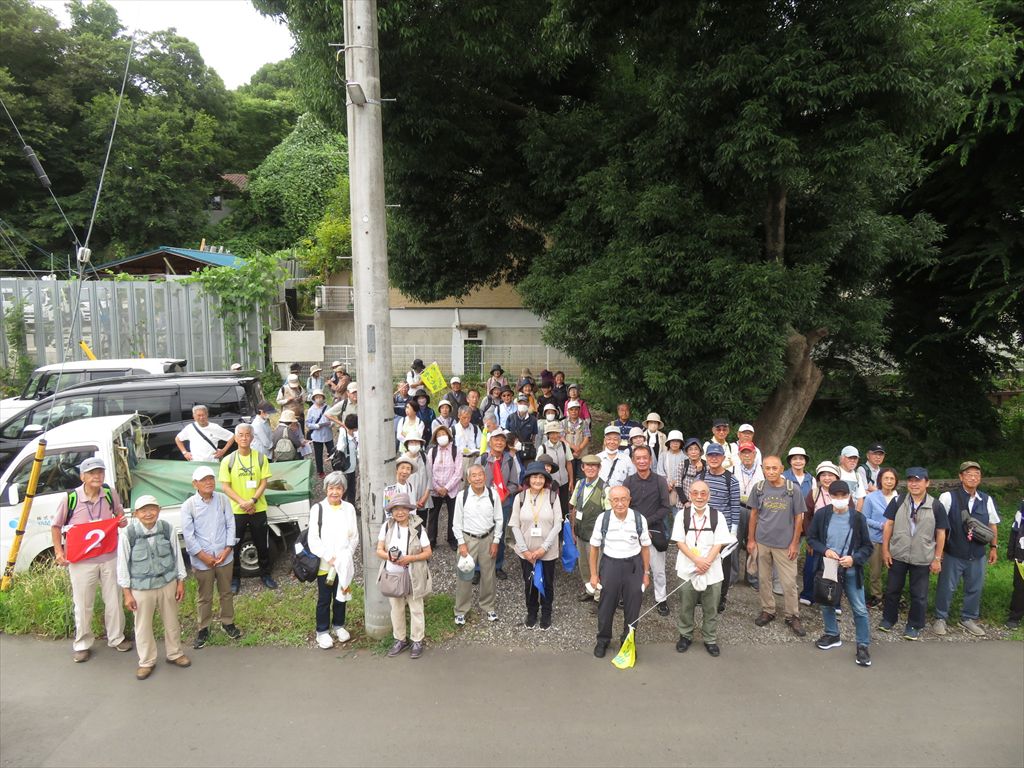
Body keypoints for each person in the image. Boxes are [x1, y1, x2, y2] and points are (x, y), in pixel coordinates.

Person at [51, 457, 132, 663]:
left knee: (113, 600)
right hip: (81, 560)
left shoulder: (109, 493)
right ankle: (82, 644)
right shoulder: (71, 498)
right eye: (92, 473)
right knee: (83, 603)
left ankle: (116, 638)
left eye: (100, 472)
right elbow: (56, 526)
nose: (97, 476)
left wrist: (121, 521)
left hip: (108, 555)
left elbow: (119, 514)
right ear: (82, 477)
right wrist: (59, 552)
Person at [118, 495, 189, 680]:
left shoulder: (167, 528)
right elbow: (122, 564)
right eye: (143, 510)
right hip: (141, 588)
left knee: (172, 621)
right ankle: (146, 662)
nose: (148, 513)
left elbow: (177, 556)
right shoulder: (128, 534)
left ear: (159, 510)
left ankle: (175, 653)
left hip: (167, 583)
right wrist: (127, 593)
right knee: (142, 626)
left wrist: (180, 581)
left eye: (152, 509)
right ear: (136, 514)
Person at [806, 481, 874, 667]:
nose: (839, 499)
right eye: (835, 495)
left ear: (849, 496)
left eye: (843, 495)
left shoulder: (858, 518)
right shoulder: (822, 515)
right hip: (829, 566)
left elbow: (867, 546)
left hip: (851, 569)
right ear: (830, 496)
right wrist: (825, 550)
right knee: (826, 601)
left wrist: (854, 558)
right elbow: (811, 538)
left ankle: (862, 645)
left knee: (859, 608)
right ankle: (832, 633)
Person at [932, 461, 1000, 637]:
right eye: (969, 474)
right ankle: (940, 618)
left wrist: (993, 547)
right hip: (953, 551)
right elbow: (939, 526)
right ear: (961, 477)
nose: (973, 477)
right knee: (946, 587)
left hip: (977, 554)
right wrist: (938, 552)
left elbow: (992, 525)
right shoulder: (948, 497)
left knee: (975, 588)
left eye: (977, 474)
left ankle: (968, 618)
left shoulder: (986, 499)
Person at [880, 467, 949, 640]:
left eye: (918, 480)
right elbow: (888, 525)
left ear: (927, 483)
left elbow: (941, 533)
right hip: (898, 553)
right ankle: (888, 619)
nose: (914, 484)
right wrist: (885, 550)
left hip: (922, 556)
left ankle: (914, 625)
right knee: (892, 590)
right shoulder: (898, 500)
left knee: (919, 595)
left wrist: (937, 558)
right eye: (911, 480)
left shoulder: (936, 505)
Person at [671, 480, 736, 657]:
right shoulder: (682, 515)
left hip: (712, 569)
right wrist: (696, 561)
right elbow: (679, 542)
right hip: (687, 569)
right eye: (695, 493)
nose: (699, 497)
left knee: (711, 607)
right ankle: (685, 635)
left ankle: (710, 638)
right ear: (690, 495)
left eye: (703, 493)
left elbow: (719, 543)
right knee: (686, 605)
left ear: (709, 495)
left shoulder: (717, 516)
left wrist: (706, 562)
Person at [181, 466, 240, 650]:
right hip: (202, 560)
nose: (208, 482)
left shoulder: (222, 499)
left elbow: (231, 524)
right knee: (204, 596)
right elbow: (188, 536)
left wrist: (228, 549)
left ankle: (228, 622)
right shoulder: (189, 505)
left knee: (226, 592)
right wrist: (203, 556)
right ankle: (203, 628)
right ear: (195, 484)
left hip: (224, 557)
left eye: (211, 478)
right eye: (203, 480)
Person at [589, 485, 651, 658]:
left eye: (623, 499)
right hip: (610, 565)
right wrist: (593, 574)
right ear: (610, 502)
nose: (620, 503)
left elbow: (645, 548)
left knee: (633, 607)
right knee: (606, 606)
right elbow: (594, 548)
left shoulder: (639, 519)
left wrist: (646, 573)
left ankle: (628, 641)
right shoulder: (603, 519)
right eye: (615, 500)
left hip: (633, 566)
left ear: (629, 500)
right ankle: (603, 640)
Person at [747, 455, 806, 637]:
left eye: (775, 468)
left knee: (789, 582)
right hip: (763, 541)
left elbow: (799, 518)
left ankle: (792, 615)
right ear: (762, 469)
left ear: (781, 469)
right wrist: (751, 540)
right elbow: (754, 515)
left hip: (785, 544)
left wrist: (795, 543)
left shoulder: (792, 489)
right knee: (764, 579)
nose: (771, 471)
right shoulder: (758, 488)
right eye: (767, 468)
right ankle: (768, 610)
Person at [219, 423, 277, 592]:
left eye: (247, 435)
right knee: (235, 545)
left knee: (262, 544)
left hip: (257, 508)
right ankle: (235, 578)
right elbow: (225, 486)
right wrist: (243, 503)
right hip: (237, 511)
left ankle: (265, 574)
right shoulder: (228, 460)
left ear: (252, 438)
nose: (244, 438)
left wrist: (252, 500)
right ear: (236, 438)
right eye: (241, 435)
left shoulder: (260, 458)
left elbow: (263, 482)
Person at [307, 472, 359, 649]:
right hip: (325, 564)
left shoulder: (349, 508)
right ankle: (322, 631)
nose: (335, 492)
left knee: (341, 595)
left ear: (343, 490)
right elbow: (313, 538)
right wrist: (329, 557)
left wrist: (347, 554)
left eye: (338, 488)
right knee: (324, 598)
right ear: (326, 489)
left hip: (343, 563)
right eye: (331, 488)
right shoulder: (318, 509)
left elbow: (354, 536)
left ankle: (339, 625)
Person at [378, 493, 432, 659]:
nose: (400, 512)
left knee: (416, 609)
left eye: (403, 508)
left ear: (409, 510)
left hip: (413, 575)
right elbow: (379, 550)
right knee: (396, 609)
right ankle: (400, 639)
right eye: (396, 509)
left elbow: (428, 552)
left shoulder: (418, 528)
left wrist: (410, 558)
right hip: (393, 575)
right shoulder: (387, 526)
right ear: (391, 512)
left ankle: (417, 640)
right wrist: (390, 557)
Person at [510, 462, 563, 629]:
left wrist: (544, 548)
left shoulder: (553, 497)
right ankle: (531, 612)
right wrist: (524, 550)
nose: (538, 480)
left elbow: (558, 524)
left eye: (541, 477)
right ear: (528, 478)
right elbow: (514, 525)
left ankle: (546, 613)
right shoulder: (520, 497)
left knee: (547, 583)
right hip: (526, 551)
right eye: (534, 477)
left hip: (547, 550)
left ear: (546, 479)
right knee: (530, 582)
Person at [623, 445, 673, 615]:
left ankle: (661, 599)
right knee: (632, 567)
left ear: (651, 460)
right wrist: (638, 525)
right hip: (633, 530)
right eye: (638, 458)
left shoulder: (660, 481)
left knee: (658, 569)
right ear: (633, 460)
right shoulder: (628, 481)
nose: (642, 461)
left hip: (655, 529)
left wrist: (646, 523)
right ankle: (630, 595)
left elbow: (665, 507)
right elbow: (625, 506)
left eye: (645, 457)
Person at [453, 465, 503, 624]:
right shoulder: (462, 496)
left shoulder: (493, 494)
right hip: (468, 540)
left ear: (485, 476)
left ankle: (488, 606)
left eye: (480, 474)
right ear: (469, 479)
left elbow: (499, 519)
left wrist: (496, 541)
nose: (478, 478)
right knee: (464, 575)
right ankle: (461, 610)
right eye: (473, 475)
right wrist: (461, 543)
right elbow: (456, 523)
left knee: (488, 576)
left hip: (488, 539)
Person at [476, 427, 522, 580]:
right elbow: (473, 480)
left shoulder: (509, 460)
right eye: (496, 439)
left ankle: (497, 566)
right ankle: (478, 568)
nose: (499, 442)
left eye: (502, 440)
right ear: (490, 442)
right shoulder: (482, 459)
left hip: (503, 504)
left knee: (499, 535)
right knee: (481, 534)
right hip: (483, 503)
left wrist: (505, 494)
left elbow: (514, 483)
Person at [701, 442, 743, 605]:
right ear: (706, 457)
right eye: (710, 455)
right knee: (704, 560)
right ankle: (703, 593)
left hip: (723, 529)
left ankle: (721, 598)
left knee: (722, 564)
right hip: (703, 527)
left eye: (717, 455)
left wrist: (733, 532)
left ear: (723, 458)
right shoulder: (701, 477)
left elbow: (735, 507)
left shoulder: (731, 480)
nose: (714, 458)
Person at [570, 455, 608, 605]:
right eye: (587, 465)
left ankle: (599, 595)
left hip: (596, 537)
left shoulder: (605, 488)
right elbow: (574, 508)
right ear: (582, 467)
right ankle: (589, 590)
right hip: (580, 533)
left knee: (597, 566)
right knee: (583, 564)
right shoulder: (579, 484)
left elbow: (609, 515)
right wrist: (573, 530)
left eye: (594, 466)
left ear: (599, 468)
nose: (590, 468)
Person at [861, 467, 899, 607]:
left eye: (892, 479)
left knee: (894, 570)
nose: (889, 481)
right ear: (880, 480)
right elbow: (864, 518)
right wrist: (881, 526)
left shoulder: (899, 499)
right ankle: (876, 596)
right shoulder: (871, 498)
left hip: (895, 540)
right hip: (876, 539)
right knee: (875, 571)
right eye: (886, 478)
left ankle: (893, 596)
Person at [426, 423, 462, 549]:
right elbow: (428, 472)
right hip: (435, 489)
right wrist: (437, 487)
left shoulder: (456, 451)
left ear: (449, 435)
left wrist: (446, 488)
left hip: (451, 489)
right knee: (433, 515)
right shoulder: (432, 451)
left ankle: (452, 539)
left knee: (453, 515)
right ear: (435, 438)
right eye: (439, 435)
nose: (442, 436)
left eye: (444, 434)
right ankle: (431, 540)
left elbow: (458, 472)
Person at [539, 420, 574, 514]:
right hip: (550, 483)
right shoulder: (543, 448)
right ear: (548, 435)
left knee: (564, 507)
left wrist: (571, 480)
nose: (555, 436)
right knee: (551, 507)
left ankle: (564, 523)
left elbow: (569, 463)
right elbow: (538, 466)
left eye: (557, 433)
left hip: (564, 482)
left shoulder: (565, 446)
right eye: (552, 433)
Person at [305, 391, 335, 478]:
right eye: (316, 397)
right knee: (318, 454)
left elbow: (333, 418)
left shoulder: (328, 407)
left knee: (332, 452)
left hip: (328, 434)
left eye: (320, 397)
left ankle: (336, 469)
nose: (319, 399)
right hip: (317, 435)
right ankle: (320, 471)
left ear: (323, 398)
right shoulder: (311, 410)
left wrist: (332, 423)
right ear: (314, 399)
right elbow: (308, 424)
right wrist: (316, 426)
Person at [506, 392, 540, 466]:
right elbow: (507, 434)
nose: (522, 405)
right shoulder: (510, 417)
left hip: (527, 451)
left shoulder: (533, 420)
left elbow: (534, 437)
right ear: (517, 404)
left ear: (528, 404)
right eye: (520, 403)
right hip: (513, 450)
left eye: (524, 403)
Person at [563, 400, 591, 480]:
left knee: (582, 477)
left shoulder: (584, 423)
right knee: (569, 477)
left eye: (576, 409)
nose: (574, 412)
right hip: (568, 455)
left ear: (579, 410)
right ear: (568, 411)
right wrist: (573, 448)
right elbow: (562, 438)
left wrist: (579, 449)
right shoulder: (563, 423)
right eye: (571, 410)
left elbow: (587, 437)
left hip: (582, 455)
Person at [1007, 502, 1024, 630]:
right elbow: (1015, 527)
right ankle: (1015, 617)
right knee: (1020, 587)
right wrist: (1011, 550)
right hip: (1022, 553)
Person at [454, 405, 483, 478]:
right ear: (459, 416)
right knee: (460, 482)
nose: (466, 420)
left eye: (469, 418)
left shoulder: (475, 428)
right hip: (459, 460)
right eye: (464, 417)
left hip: (473, 459)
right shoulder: (453, 429)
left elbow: (480, 445)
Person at [837, 446, 867, 511]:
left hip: (853, 512)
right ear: (842, 458)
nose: (853, 461)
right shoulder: (836, 472)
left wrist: (857, 514)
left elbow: (860, 498)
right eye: (850, 458)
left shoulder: (857, 476)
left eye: (855, 458)